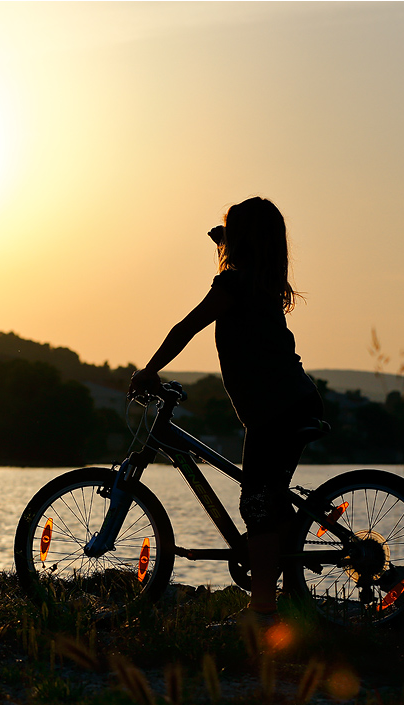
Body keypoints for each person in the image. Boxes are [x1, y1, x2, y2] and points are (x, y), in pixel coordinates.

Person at [128, 196, 323, 619]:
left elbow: (187, 326)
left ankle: (263, 607)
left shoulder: (234, 285)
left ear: (243, 240)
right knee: (269, 502)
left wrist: (150, 369)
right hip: (289, 403)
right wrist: (224, 242)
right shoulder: (261, 281)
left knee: (256, 503)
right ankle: (293, 596)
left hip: (276, 410)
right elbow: (235, 263)